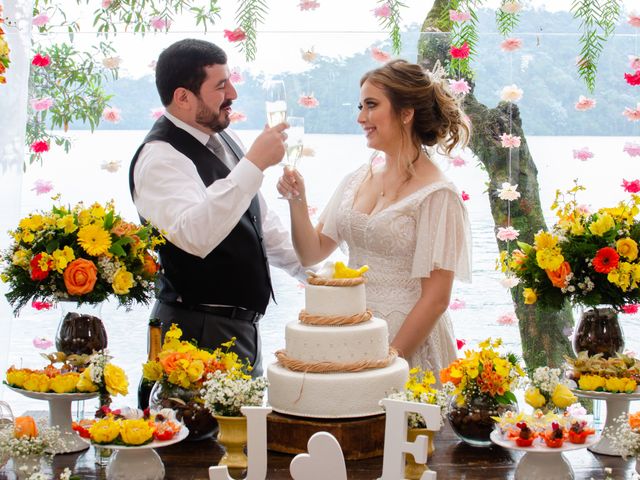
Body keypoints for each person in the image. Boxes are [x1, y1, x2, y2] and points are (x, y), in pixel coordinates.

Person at [277, 59, 472, 376]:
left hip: (407, 346)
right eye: (360, 106)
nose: (360, 117)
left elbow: (436, 299)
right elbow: (312, 251)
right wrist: (296, 200)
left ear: (406, 113)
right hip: (352, 333)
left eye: (371, 105)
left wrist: (389, 362)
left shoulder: (437, 194)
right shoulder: (358, 178)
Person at [129, 38, 304, 377]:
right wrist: (254, 164)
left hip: (242, 331)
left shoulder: (226, 138)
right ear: (183, 97)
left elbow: (260, 225)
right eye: (221, 85)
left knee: (243, 427)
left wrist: (317, 277)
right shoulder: (159, 158)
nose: (233, 94)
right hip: (193, 332)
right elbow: (196, 236)